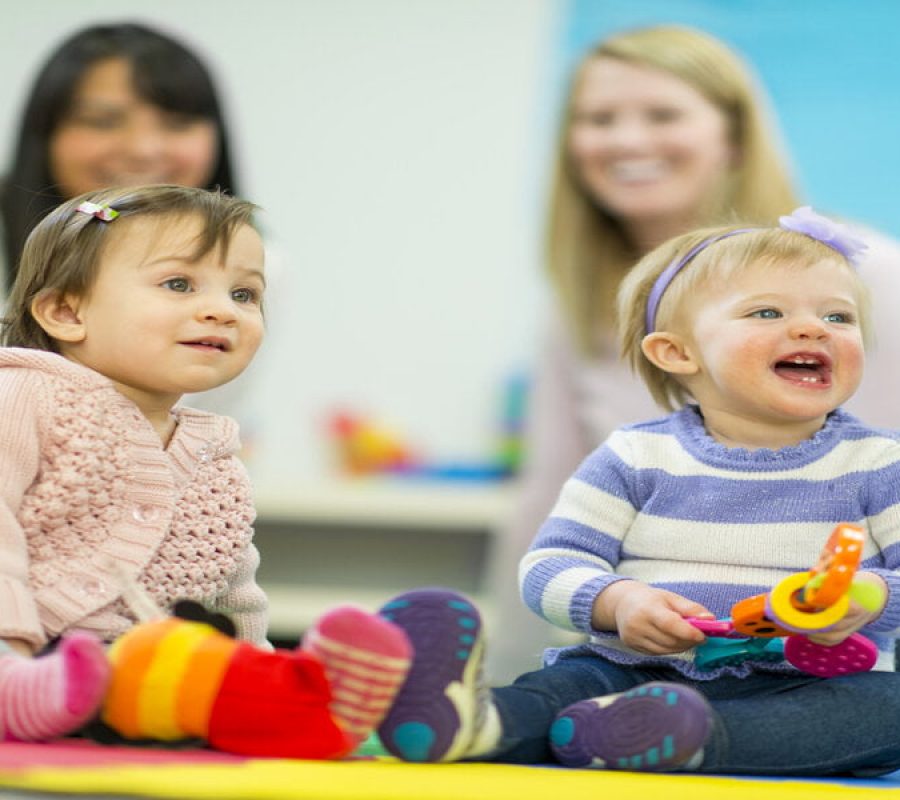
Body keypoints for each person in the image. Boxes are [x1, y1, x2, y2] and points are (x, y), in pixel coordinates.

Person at [375, 208, 900, 777]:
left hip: (811, 683)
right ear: (677, 353)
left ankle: (688, 737)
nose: (815, 329)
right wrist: (618, 602)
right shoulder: (634, 454)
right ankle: (473, 721)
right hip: (631, 670)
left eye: (838, 316)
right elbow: (551, 565)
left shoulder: (880, 464)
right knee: (563, 687)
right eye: (767, 312)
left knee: (887, 710)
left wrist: (870, 594)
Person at [487, 23, 900, 683]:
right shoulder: (583, 302)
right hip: (654, 661)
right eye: (599, 119)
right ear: (669, 350)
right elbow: (548, 499)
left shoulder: (864, 274)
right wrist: (505, 678)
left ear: (733, 138)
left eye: (662, 114)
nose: (627, 140)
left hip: (823, 670)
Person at [0, 184, 411, 753]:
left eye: (245, 293)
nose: (223, 310)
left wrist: (255, 667)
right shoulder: (24, 395)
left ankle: (308, 705)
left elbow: (236, 593)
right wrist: (14, 651)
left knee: (221, 685)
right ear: (67, 312)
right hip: (25, 652)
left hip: (140, 684)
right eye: (178, 284)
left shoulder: (213, 452)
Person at [0, 22, 235, 292]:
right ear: (44, 132)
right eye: (102, 121)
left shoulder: (254, 261)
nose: (143, 150)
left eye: (177, 123)